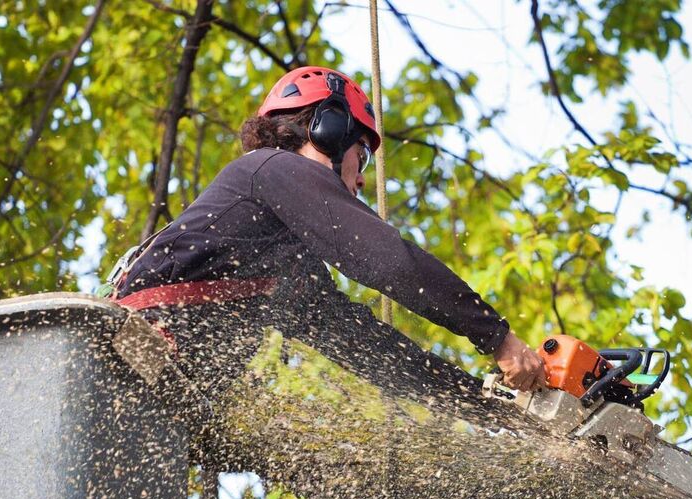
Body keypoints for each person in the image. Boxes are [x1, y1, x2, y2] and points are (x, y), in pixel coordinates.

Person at [111, 65, 546, 405]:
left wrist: (487, 403)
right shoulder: (271, 168)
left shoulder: (285, 263)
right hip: (128, 358)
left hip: (154, 390)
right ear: (329, 128)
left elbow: (370, 350)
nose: (360, 181)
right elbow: (388, 260)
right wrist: (498, 337)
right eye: (363, 154)